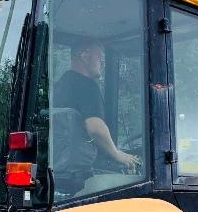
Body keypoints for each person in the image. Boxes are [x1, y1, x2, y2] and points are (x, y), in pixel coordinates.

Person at [54, 38, 139, 171]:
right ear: (84, 56)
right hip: (87, 172)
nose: (103, 62)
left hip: (62, 168)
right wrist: (117, 154)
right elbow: (95, 128)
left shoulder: (60, 85)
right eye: (100, 56)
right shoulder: (87, 85)